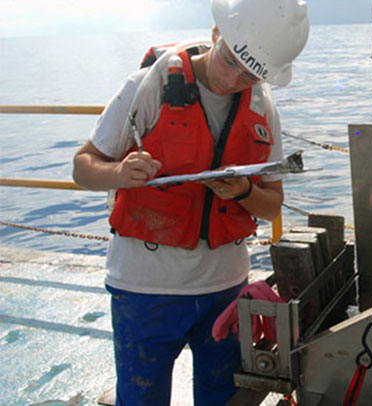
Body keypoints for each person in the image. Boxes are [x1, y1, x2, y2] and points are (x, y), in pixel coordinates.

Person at [71, 0, 309, 403]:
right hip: (144, 290)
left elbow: (272, 206)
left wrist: (245, 192)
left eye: (250, 73)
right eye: (230, 61)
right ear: (216, 34)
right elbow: (82, 166)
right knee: (141, 396)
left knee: (222, 397)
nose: (234, 79)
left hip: (224, 289)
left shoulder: (263, 109)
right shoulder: (147, 86)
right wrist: (118, 173)